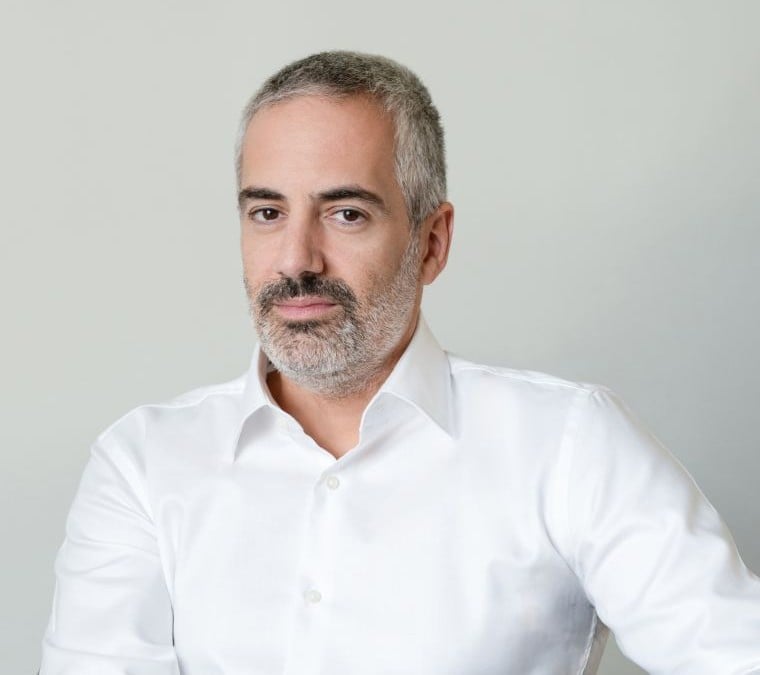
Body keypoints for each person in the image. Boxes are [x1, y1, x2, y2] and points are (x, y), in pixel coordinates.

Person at [39, 51, 760, 675]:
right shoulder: (144, 463)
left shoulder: (570, 445)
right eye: (267, 213)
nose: (296, 260)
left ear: (431, 242)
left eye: (346, 213)